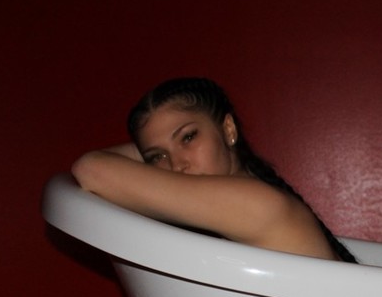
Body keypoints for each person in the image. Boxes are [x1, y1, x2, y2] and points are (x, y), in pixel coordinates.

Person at [71, 77, 356, 262]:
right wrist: (157, 145)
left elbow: (91, 169)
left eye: (188, 137)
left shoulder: (256, 203)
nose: (176, 166)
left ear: (228, 129)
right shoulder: (252, 193)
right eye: (158, 157)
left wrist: (153, 152)